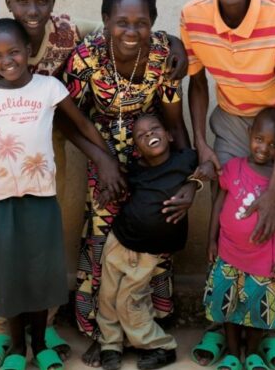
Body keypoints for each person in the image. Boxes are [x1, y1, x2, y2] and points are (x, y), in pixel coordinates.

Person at [0, 0, 188, 367]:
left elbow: (171, 117)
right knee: (75, 244)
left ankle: (138, 331)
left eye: (41, 1)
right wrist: (103, 159)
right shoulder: (1, 48)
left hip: (118, 157)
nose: (33, 9)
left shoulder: (138, 49)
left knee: (135, 243)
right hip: (70, 158)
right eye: (23, 1)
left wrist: (175, 40)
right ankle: (71, 334)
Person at [181, 0, 275, 369]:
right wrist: (202, 142)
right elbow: (196, 82)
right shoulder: (193, 16)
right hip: (234, 121)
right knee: (230, 212)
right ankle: (222, 324)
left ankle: (268, 330)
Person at [63, 0, 208, 367]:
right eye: (122, 22)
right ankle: (101, 334)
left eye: (141, 23)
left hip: (154, 154)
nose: (131, 31)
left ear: (153, 21)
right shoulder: (85, 59)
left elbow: (175, 124)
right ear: (106, 20)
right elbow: (67, 120)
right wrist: (103, 160)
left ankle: (151, 326)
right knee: (101, 242)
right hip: (104, 155)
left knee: (154, 235)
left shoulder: (164, 56)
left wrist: (185, 179)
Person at [0, 18, 116, 370]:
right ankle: (16, 348)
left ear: (29, 52)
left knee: (40, 273)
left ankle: (41, 342)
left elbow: (80, 124)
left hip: (42, 200)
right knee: (10, 275)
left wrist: (106, 155)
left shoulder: (49, 88)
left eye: (14, 52)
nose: (7, 61)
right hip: (1, 204)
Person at [96, 115, 214, 370]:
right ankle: (110, 345)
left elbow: (209, 169)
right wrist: (108, 192)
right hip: (119, 239)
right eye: (140, 135)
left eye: (155, 128)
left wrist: (197, 181)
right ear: (137, 150)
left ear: (170, 135)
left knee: (130, 300)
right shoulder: (138, 169)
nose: (149, 134)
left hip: (148, 251)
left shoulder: (185, 160)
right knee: (107, 295)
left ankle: (159, 346)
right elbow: (125, 184)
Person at [203, 108, 275, 370]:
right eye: (259, 139)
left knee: (258, 312)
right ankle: (234, 355)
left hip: (263, 264)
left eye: (273, 144)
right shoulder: (233, 168)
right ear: (249, 135)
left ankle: (255, 354)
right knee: (228, 308)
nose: (263, 148)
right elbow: (218, 204)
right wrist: (211, 240)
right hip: (228, 256)